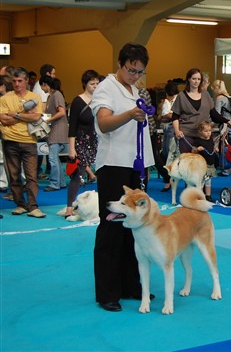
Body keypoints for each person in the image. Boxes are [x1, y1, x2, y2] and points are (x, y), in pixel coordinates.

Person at [90, 43, 154, 312]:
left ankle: (130, 285)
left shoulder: (134, 89)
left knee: (136, 228)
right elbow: (104, 123)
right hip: (114, 164)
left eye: (140, 72)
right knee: (112, 228)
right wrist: (129, 114)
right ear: (120, 63)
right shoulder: (106, 88)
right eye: (131, 70)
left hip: (136, 165)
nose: (135, 75)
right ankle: (107, 292)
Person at [0, 67, 46, 218]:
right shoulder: (5, 98)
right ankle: (20, 204)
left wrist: (16, 114)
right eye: (14, 81)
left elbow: (36, 117)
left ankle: (33, 206)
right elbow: (4, 120)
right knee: (14, 176)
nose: (17, 84)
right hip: (10, 141)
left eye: (20, 81)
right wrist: (24, 115)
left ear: (26, 81)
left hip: (29, 141)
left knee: (31, 176)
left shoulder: (35, 97)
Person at [171, 68, 231, 154]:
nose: (196, 81)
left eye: (198, 79)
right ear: (189, 79)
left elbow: (214, 114)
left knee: (205, 161)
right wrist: (177, 131)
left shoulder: (206, 94)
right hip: (186, 134)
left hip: (203, 135)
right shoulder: (181, 96)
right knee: (188, 161)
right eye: (194, 79)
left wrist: (227, 121)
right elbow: (175, 116)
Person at [64, 70, 99, 218]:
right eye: (92, 84)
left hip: (96, 140)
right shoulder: (78, 101)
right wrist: (71, 148)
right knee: (77, 176)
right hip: (80, 140)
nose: (95, 86)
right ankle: (69, 207)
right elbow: (72, 127)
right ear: (85, 84)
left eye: (97, 83)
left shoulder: (100, 100)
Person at [138, 84, 171, 190]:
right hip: (144, 130)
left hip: (148, 130)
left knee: (154, 158)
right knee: (147, 159)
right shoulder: (141, 92)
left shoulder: (141, 93)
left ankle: (167, 177)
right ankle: (144, 181)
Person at [40, 76, 68, 192]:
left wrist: (47, 120)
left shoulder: (56, 95)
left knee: (52, 158)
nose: (41, 88)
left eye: (42, 85)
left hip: (58, 130)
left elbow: (61, 112)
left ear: (45, 84)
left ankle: (55, 183)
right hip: (56, 130)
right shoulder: (52, 96)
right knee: (55, 158)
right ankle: (60, 182)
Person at [158, 81, 179, 192]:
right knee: (165, 153)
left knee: (170, 154)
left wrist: (168, 116)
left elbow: (171, 115)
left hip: (173, 130)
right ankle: (169, 178)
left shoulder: (178, 100)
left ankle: (169, 180)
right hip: (167, 130)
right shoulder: (166, 101)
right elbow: (162, 115)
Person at [193, 120, 218, 201]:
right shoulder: (197, 141)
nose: (208, 133)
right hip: (201, 166)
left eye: (210, 131)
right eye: (206, 131)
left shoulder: (210, 139)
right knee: (200, 182)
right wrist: (197, 149)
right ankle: (200, 196)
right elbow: (192, 151)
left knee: (208, 182)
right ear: (200, 132)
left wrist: (215, 148)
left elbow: (212, 146)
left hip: (210, 164)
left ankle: (208, 196)